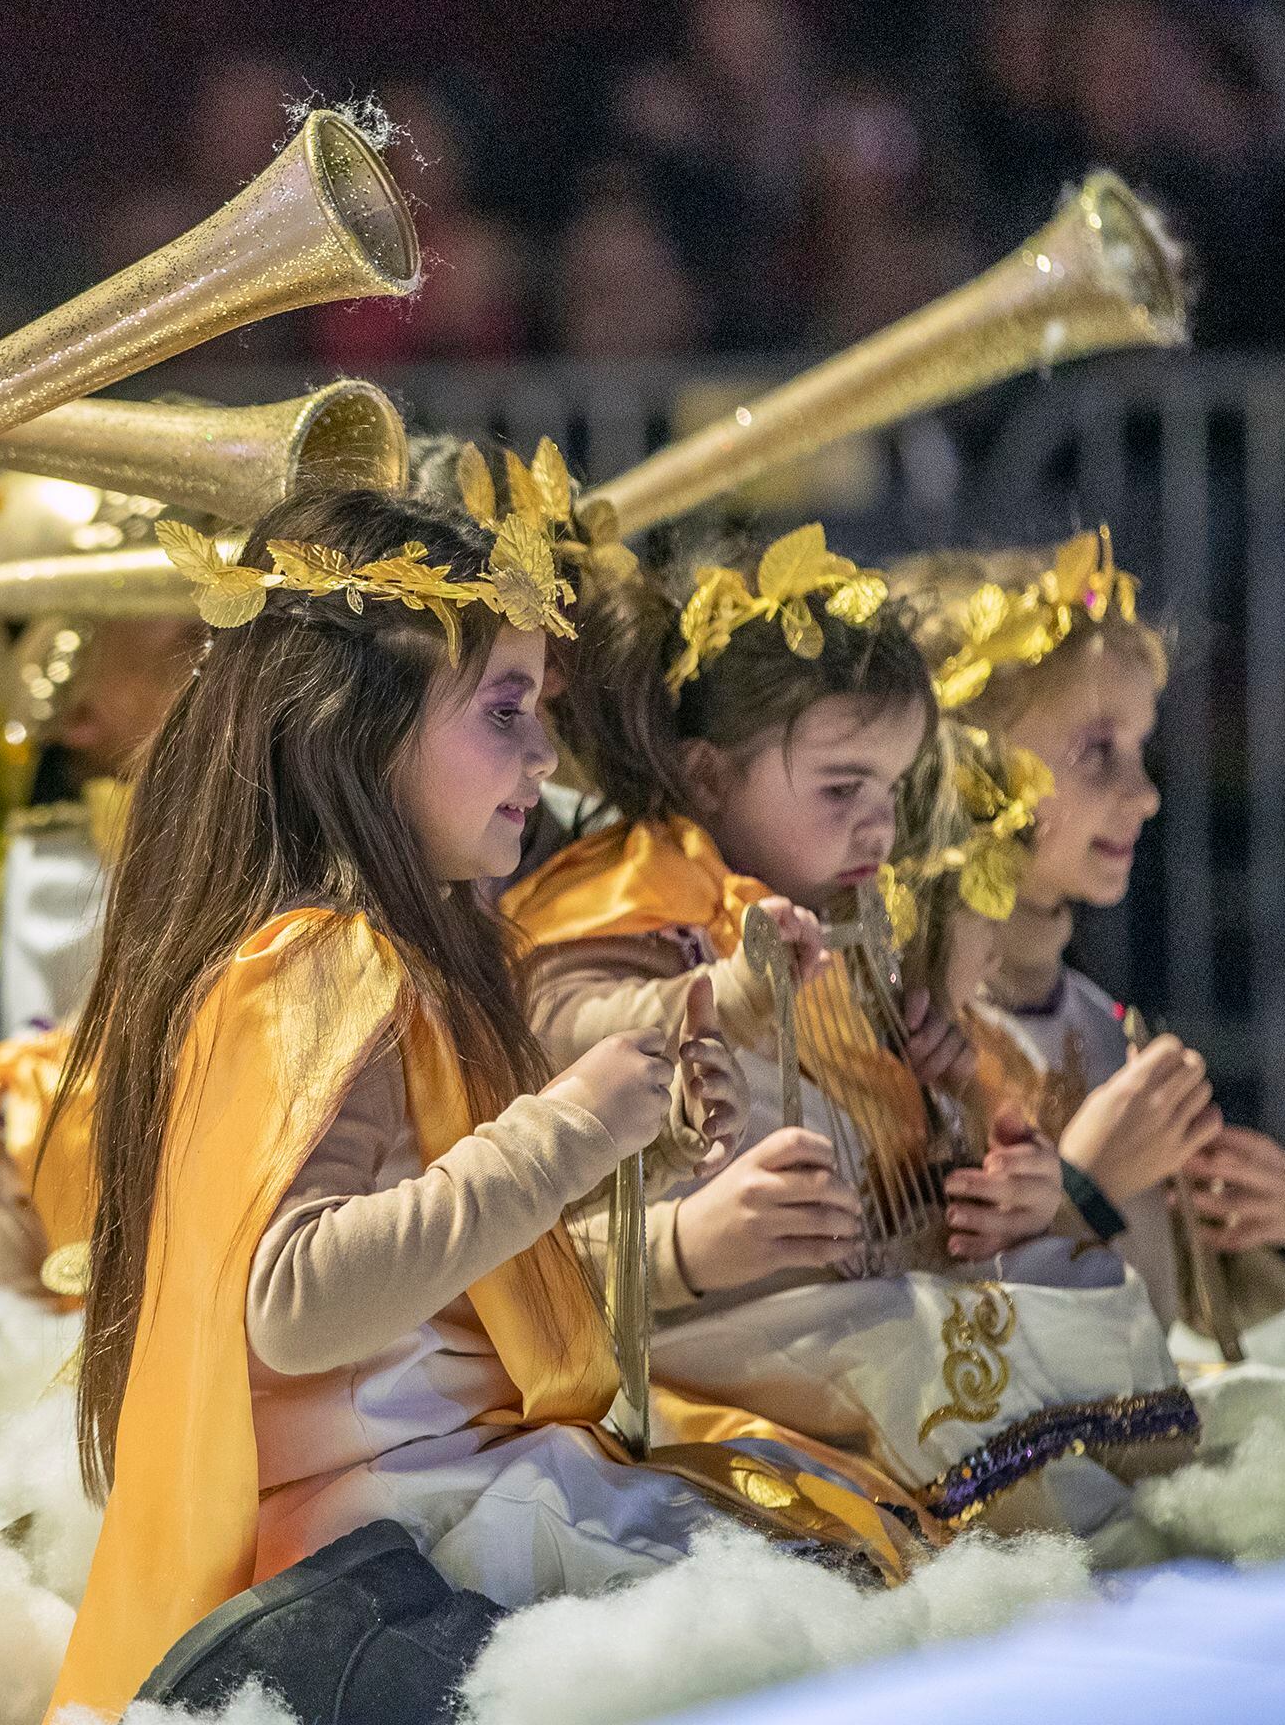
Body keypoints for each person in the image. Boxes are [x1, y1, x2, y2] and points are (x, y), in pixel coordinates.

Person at [49, 487, 910, 1719]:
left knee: (846, 1533)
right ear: (359, 729)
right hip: (390, 1533)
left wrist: (631, 1132)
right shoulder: (315, 959)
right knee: (851, 1607)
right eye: (503, 710)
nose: (544, 756)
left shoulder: (383, 951)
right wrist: (567, 1131)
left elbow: (447, 1282)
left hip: (451, 1488)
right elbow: (292, 1305)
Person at [498, 526, 1193, 1542]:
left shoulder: (842, 912)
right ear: (705, 776)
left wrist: (944, 1095)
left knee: (1071, 1286)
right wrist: (716, 1000)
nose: (876, 825)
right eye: (840, 788)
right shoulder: (628, 903)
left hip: (828, 1293)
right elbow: (577, 1021)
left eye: (890, 789)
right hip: (698, 1325)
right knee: (915, 1347)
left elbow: (880, 1157)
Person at [902, 534, 1285, 1339]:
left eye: (1141, 748)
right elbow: (919, 1330)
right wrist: (1086, 1187)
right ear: (965, 762)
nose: (1145, 794)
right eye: (1096, 752)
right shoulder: (916, 1028)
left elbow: (1168, 1299)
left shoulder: (1089, 1020)